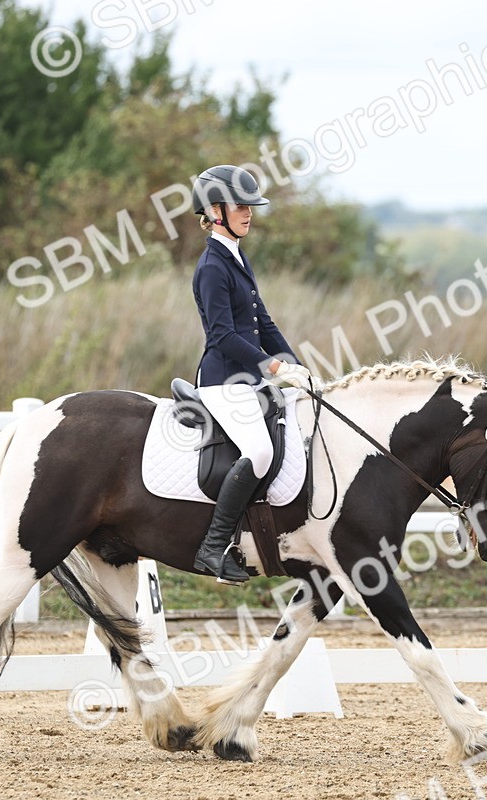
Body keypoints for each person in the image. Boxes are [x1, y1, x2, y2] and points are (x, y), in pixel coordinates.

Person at [189, 164, 311, 584]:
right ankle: (212, 546)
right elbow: (223, 336)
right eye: (241, 206)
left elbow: (264, 322)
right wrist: (274, 367)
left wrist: (295, 365)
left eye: (250, 206)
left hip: (250, 378)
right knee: (258, 452)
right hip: (224, 381)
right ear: (215, 211)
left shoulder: (237, 257)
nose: (249, 213)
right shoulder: (211, 267)